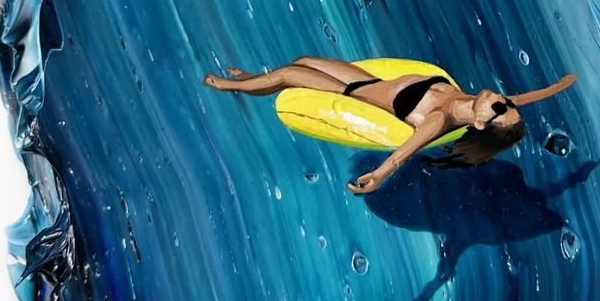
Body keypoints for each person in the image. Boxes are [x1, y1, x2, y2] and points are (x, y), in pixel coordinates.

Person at [203, 57, 577, 196]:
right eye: (506, 103)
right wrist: (556, 88)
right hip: (367, 79)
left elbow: (405, 152)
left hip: (351, 92)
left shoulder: (439, 119)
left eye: (500, 108)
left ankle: (229, 85)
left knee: (289, 74)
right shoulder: (471, 100)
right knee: (302, 60)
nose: (502, 99)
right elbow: (526, 97)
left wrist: (378, 175)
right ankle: (254, 80)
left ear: (481, 122)